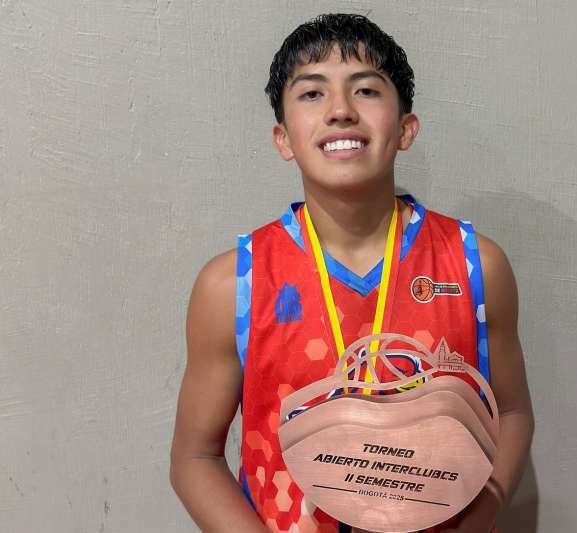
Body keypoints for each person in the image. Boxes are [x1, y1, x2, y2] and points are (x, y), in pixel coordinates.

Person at [170, 13, 534, 533]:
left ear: (405, 128)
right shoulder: (234, 285)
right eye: (312, 93)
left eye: (365, 90)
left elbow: (513, 413)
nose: (340, 110)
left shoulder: (476, 266)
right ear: (283, 138)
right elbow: (195, 457)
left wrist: (480, 518)